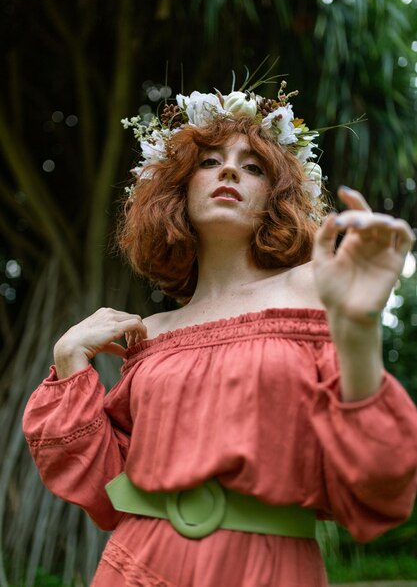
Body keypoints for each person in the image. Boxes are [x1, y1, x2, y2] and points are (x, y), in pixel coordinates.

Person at [23, 81, 417, 587]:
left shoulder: (317, 287)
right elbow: (107, 491)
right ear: (178, 188)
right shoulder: (152, 333)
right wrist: (69, 357)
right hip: (135, 565)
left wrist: (360, 330)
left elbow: (380, 484)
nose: (230, 170)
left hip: (267, 570)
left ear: (276, 196)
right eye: (209, 162)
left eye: (253, 167)